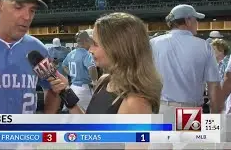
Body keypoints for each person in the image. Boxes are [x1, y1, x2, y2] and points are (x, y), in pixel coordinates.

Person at [48, 13, 162, 149]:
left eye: (96, 44)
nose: (90, 49)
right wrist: (65, 92)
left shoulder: (136, 103)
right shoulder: (104, 81)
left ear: (118, 48)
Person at [150, 5, 221, 118]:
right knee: (188, 136)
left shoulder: (153, 43)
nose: (197, 23)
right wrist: (215, 117)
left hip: (160, 108)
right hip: (189, 111)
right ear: (188, 21)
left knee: (161, 137)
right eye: (195, 19)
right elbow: (214, 85)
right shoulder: (204, 46)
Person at [62, 30, 98, 111]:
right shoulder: (86, 53)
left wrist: (71, 73)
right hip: (84, 90)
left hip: (73, 88)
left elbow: (64, 65)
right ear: (86, 40)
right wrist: (95, 81)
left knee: (72, 115)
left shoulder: (71, 53)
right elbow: (92, 68)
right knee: (87, 117)